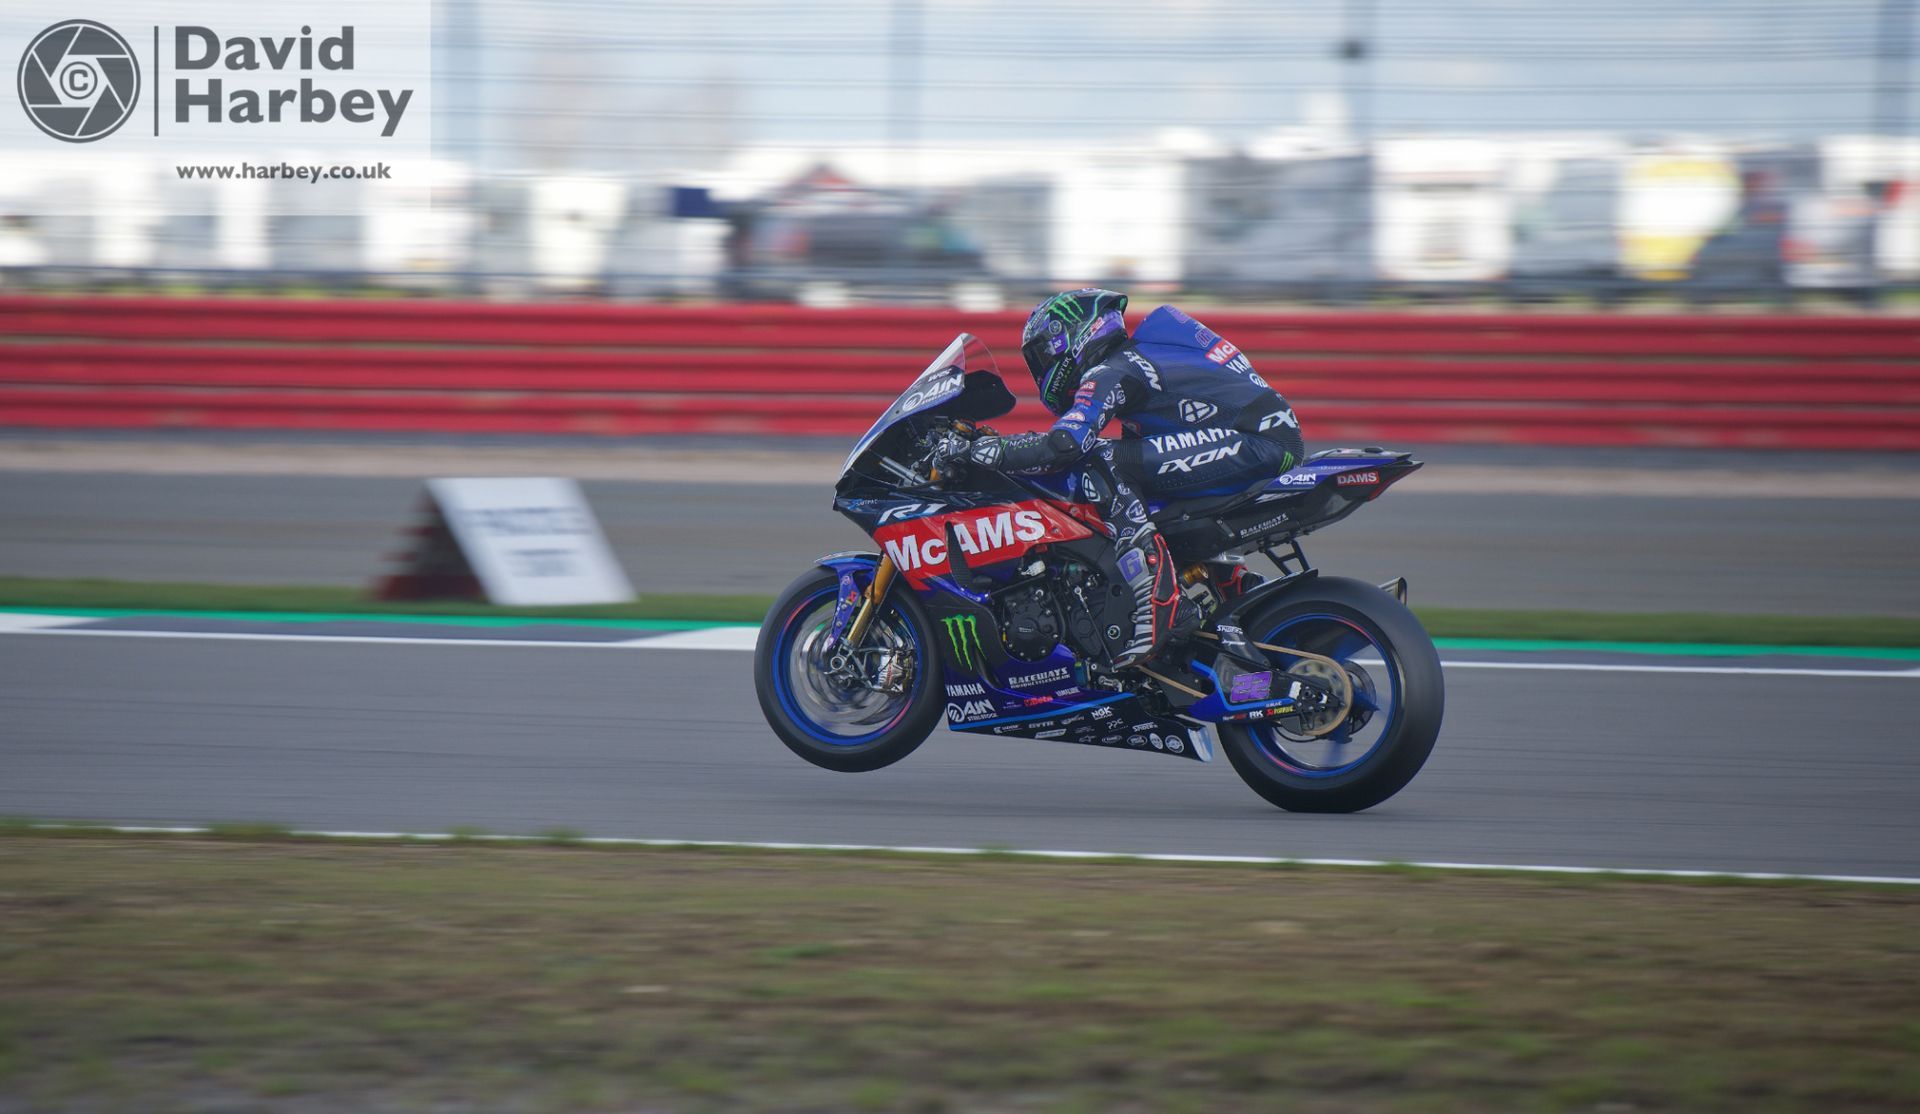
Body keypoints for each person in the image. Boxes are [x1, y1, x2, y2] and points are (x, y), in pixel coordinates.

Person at [933, 288, 1304, 668]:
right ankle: (1233, 591)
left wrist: (986, 450)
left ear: (1069, 336)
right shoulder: (1140, 362)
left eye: (1042, 355)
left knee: (1104, 461)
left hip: (1258, 441)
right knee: (1139, 488)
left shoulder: (1114, 369)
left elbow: (1066, 444)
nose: (1042, 367)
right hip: (1260, 438)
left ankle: (1157, 598)